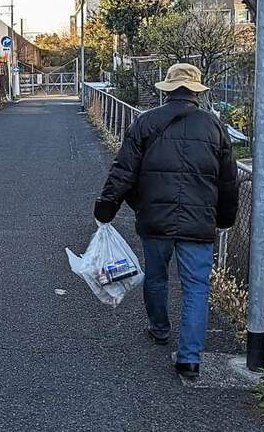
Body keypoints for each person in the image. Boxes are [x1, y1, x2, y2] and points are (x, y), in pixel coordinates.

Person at [93, 63, 239, 379]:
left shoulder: (145, 123)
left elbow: (124, 170)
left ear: (167, 90)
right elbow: (228, 181)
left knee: (157, 277)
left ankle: (159, 329)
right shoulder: (215, 127)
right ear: (197, 93)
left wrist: (106, 207)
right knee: (196, 287)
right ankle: (189, 359)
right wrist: (225, 218)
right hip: (199, 222)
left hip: (154, 218)